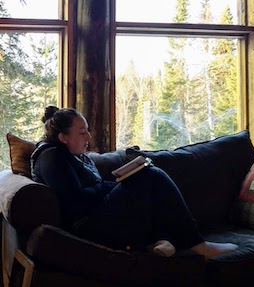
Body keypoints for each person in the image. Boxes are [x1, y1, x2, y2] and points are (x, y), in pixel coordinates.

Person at [31, 106, 238, 259]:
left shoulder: (73, 155)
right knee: (152, 175)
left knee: (147, 181)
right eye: (82, 131)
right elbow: (75, 203)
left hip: (98, 215)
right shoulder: (51, 158)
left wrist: (115, 183)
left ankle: (161, 238)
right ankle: (197, 244)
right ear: (63, 137)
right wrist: (111, 186)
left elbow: (89, 189)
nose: (89, 136)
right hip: (88, 226)